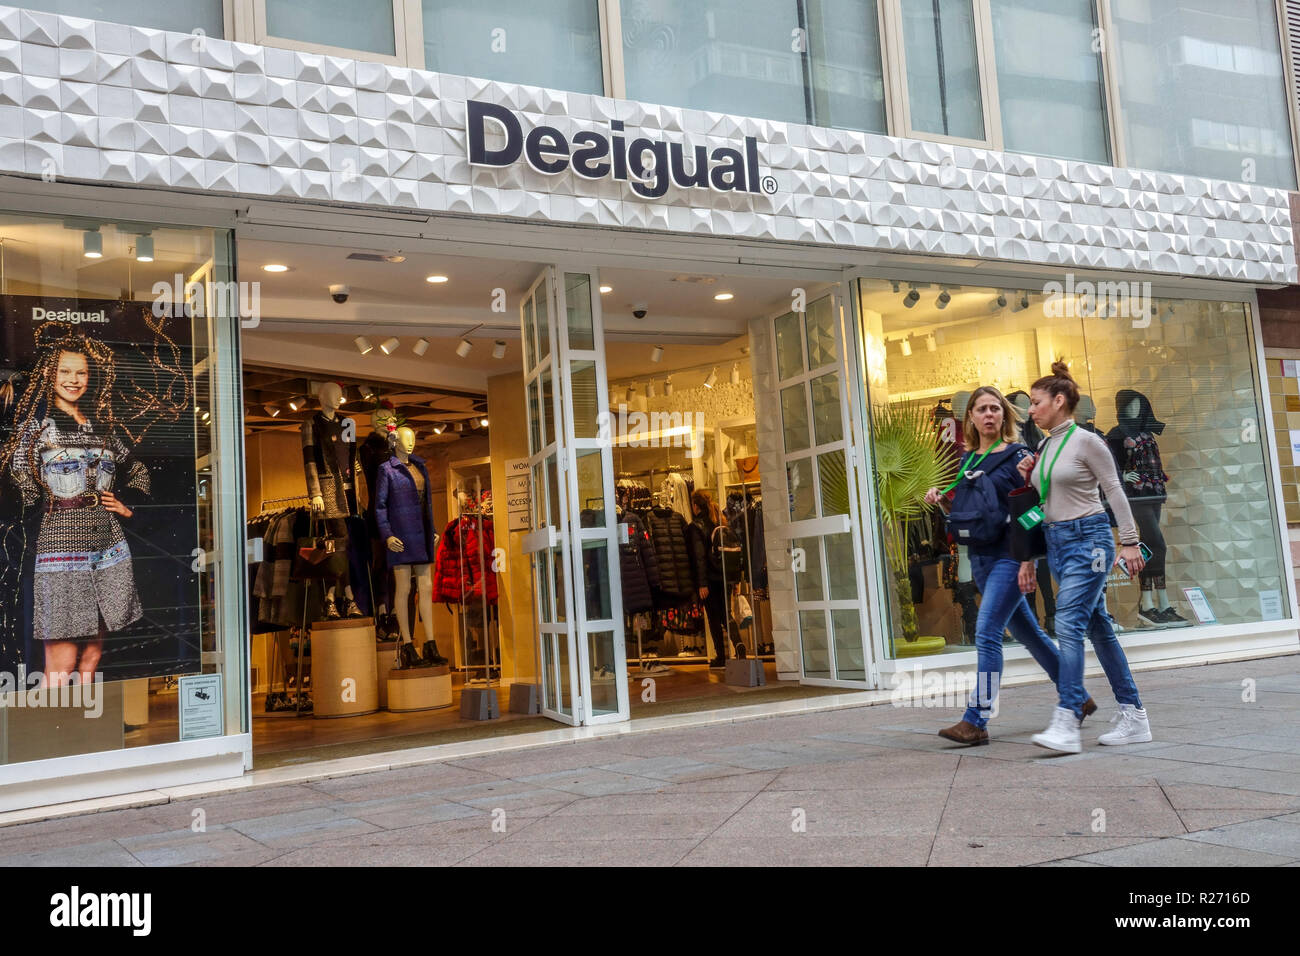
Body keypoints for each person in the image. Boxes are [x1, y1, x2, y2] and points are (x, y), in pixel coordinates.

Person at [924, 386, 1096, 745]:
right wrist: (941, 503)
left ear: (1004, 415)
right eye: (981, 409)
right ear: (969, 417)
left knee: (987, 633)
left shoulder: (1019, 456)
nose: (989, 415)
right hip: (981, 558)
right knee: (1029, 634)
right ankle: (1077, 698)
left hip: (1008, 557)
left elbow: (1032, 510)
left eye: (994, 409)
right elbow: (968, 515)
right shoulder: (967, 460)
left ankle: (976, 719)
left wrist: (1026, 559)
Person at [1017, 361, 1153, 753]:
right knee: (1098, 627)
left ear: (1059, 401)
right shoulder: (1045, 446)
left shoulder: (1087, 441)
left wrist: (1128, 541)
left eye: (1037, 402)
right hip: (1058, 543)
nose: (1031, 409)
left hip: (1089, 541)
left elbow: (1113, 490)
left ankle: (1067, 719)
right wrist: (1031, 475)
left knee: (1068, 623)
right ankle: (1134, 715)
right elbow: (1045, 502)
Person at [3, 329, 150, 687]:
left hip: (108, 542)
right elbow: (18, 476)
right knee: (61, 659)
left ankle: (88, 733)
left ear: (90, 378)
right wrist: (37, 509)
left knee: (93, 654)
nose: (73, 380)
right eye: (65, 372)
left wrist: (129, 505)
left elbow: (139, 471)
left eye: (81, 373)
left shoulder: (104, 430)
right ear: (49, 376)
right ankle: (53, 737)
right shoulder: (35, 430)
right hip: (59, 542)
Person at [686, 489, 729, 669]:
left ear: (695, 506)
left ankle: (721, 656)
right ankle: (739, 647)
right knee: (726, 616)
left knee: (713, 618)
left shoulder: (696, 526)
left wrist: (702, 583)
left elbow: (699, 557)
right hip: (724, 577)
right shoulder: (719, 521)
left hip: (710, 580)